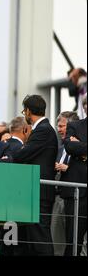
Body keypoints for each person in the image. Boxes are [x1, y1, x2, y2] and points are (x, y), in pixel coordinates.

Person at [7, 95, 58, 255]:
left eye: (24, 111)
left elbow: (22, 155)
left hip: (40, 191)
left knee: (40, 237)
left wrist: (16, 151)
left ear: (28, 111)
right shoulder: (43, 129)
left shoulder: (43, 130)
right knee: (34, 238)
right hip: (35, 191)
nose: (25, 115)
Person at [61, 95, 87, 256]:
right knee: (73, 241)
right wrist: (76, 146)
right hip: (78, 193)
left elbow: (77, 147)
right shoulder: (74, 126)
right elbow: (70, 147)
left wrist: (82, 148)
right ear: (85, 107)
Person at [52, 111, 79, 256]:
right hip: (58, 198)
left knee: (74, 238)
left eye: (62, 126)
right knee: (56, 238)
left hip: (76, 198)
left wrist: (68, 168)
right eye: (58, 126)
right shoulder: (60, 149)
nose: (59, 129)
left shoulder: (81, 147)